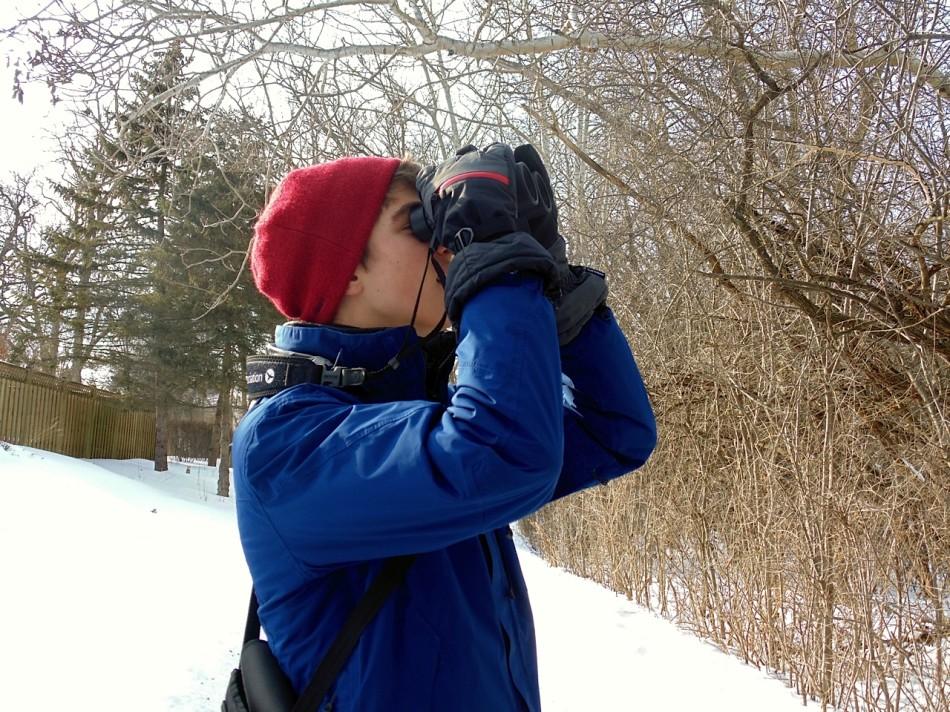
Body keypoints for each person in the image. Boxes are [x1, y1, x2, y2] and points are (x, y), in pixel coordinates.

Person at [233, 144, 657, 711]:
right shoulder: (285, 444)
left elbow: (614, 431)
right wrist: (497, 266)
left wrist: (549, 286)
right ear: (350, 271)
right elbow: (501, 452)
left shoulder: (437, 412)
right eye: (417, 223)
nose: (442, 243)